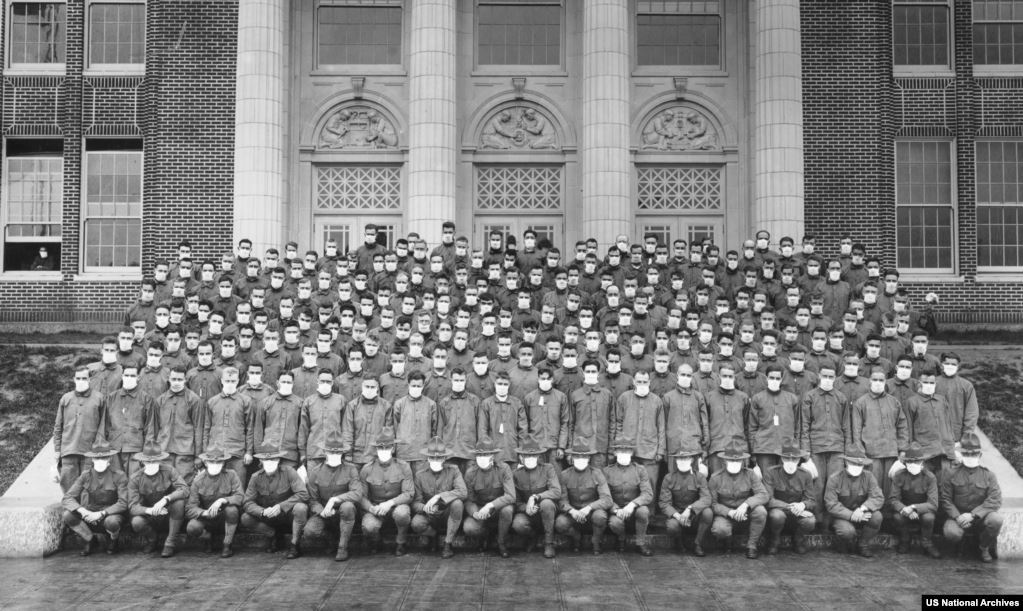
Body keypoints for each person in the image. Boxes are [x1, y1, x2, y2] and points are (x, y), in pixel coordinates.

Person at [941, 432, 1003, 563]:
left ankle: (983, 547)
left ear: (979, 455)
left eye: (974, 454)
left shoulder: (989, 475)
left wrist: (973, 515)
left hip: (980, 518)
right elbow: (945, 499)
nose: (970, 457)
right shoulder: (951, 473)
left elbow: (995, 500)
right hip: (958, 516)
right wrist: (958, 516)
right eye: (967, 454)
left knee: (996, 520)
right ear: (962, 454)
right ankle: (959, 544)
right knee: (951, 533)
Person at [241, 442, 310, 559]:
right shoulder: (255, 477)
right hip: (268, 516)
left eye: (273, 459)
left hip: (288, 515)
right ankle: (274, 535)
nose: (269, 463)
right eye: (266, 460)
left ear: (278, 460)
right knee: (245, 518)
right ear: (261, 461)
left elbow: (303, 494)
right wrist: (262, 511)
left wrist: (281, 506)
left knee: (301, 508)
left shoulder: (289, 472)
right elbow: (247, 502)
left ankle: (295, 544)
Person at [303, 430, 363, 562]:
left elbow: (357, 493)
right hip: (325, 512)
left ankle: (342, 547)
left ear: (342, 453)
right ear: (325, 452)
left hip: (345, 512)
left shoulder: (350, 468)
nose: (334, 454)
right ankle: (330, 539)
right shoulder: (315, 471)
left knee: (347, 506)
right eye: (331, 452)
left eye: (338, 452)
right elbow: (312, 500)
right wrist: (322, 511)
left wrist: (335, 499)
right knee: (309, 531)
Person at [60, 440, 128, 556]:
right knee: (68, 515)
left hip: (110, 514)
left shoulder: (119, 475)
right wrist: (83, 511)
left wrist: (102, 513)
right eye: (97, 458)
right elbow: (67, 498)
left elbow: (123, 502)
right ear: (92, 460)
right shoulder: (86, 475)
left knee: (112, 522)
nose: (100, 461)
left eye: (104, 458)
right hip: (90, 514)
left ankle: (113, 539)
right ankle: (90, 540)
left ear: (109, 460)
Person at [708, 436, 769, 559]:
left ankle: (752, 546)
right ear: (724, 461)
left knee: (761, 511)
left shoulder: (750, 474)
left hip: (746, 514)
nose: (734, 463)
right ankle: (727, 541)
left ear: (742, 462)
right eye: (731, 460)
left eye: (738, 461)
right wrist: (729, 512)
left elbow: (763, 494)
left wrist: (746, 505)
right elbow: (713, 504)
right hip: (726, 515)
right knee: (719, 529)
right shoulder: (715, 478)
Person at [358, 427, 415, 556]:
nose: (383, 451)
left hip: (396, 506)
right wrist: (371, 508)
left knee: (402, 513)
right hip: (376, 507)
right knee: (368, 526)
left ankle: (401, 542)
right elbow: (361, 496)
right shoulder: (367, 469)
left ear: (393, 449)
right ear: (376, 449)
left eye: (387, 448)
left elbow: (409, 493)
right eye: (380, 448)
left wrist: (390, 503)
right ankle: (376, 541)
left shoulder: (403, 466)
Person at [127, 441, 189, 558]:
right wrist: (150, 510)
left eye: (155, 461)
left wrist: (166, 499)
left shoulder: (169, 470)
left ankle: (170, 542)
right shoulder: (135, 478)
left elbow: (184, 489)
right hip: (150, 517)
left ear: (160, 460)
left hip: (168, 515)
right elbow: (133, 506)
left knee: (179, 503)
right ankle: (152, 539)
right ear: (142, 461)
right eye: (148, 461)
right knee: (136, 522)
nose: (151, 464)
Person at [410, 436, 468, 559]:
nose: (435, 460)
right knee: (416, 523)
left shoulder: (453, 470)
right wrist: (425, 508)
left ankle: (448, 543)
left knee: (458, 504)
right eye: (432, 457)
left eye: (439, 458)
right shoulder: (420, 475)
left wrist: (438, 496)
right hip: (430, 514)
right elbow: (415, 503)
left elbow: (463, 492)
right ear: (427, 458)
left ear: (444, 458)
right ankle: (432, 535)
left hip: (447, 512)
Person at [555, 439, 613, 555]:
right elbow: (562, 500)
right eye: (577, 457)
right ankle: (576, 537)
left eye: (584, 457)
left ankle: (596, 541)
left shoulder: (596, 473)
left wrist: (589, 508)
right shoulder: (565, 475)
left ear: (588, 458)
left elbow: (607, 499)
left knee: (600, 516)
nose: (580, 460)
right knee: (560, 523)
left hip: (591, 513)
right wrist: (571, 511)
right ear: (572, 458)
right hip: (573, 513)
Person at [185, 446, 244, 558]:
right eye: (212, 462)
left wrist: (223, 500)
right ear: (206, 463)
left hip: (225, 518)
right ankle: (207, 538)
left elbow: (240, 496)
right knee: (192, 527)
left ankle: (227, 544)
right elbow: (190, 508)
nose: (215, 465)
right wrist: (204, 513)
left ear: (223, 463)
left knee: (232, 509)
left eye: (219, 462)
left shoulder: (231, 475)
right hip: (208, 519)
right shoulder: (198, 480)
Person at [462, 436, 516, 557]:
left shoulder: (504, 469)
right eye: (479, 455)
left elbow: (511, 496)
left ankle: (501, 542)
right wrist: (475, 513)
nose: (482, 458)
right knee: (469, 527)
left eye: (486, 455)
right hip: (481, 509)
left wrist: (491, 505)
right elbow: (468, 500)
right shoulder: (470, 473)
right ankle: (484, 536)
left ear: (492, 456)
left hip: (499, 508)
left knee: (507, 510)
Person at [54, 366, 106, 492]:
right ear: (74, 379)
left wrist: (98, 449)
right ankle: (70, 510)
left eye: (84, 378)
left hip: (88, 450)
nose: (81, 381)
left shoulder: (99, 398)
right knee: (68, 487)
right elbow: (58, 427)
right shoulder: (66, 398)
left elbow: (103, 426)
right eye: (78, 378)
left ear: (89, 380)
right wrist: (57, 450)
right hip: (68, 450)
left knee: (88, 486)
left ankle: (86, 510)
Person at [825, 447, 884, 557]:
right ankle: (842, 542)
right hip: (841, 516)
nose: (857, 467)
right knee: (847, 532)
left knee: (877, 517)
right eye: (853, 463)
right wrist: (852, 515)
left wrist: (862, 509)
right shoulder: (835, 478)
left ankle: (863, 544)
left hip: (862, 513)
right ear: (846, 462)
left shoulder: (869, 476)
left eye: (859, 465)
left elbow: (878, 497)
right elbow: (831, 505)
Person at [510, 434, 562, 558]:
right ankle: (532, 536)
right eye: (526, 456)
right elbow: (515, 501)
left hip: (547, 511)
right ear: (521, 457)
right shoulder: (516, 474)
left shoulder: (548, 469)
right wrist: (526, 508)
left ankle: (549, 543)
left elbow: (556, 491)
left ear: (538, 456)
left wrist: (535, 497)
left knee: (547, 503)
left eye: (533, 456)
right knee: (518, 524)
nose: (530, 459)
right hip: (528, 513)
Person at [762, 438, 816, 555]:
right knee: (777, 516)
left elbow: (811, 500)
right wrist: (790, 507)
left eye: (794, 458)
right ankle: (774, 540)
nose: (791, 461)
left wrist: (802, 504)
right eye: (787, 458)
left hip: (797, 515)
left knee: (810, 521)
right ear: (781, 458)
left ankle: (798, 539)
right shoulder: (771, 472)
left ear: (799, 459)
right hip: (779, 513)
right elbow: (768, 499)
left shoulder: (806, 475)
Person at [888, 442, 941, 558]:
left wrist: (914, 508)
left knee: (929, 517)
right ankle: (905, 539)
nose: (913, 464)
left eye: (916, 461)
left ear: (922, 462)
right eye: (910, 461)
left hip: (922, 511)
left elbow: (933, 504)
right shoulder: (899, 475)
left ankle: (927, 542)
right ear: (906, 462)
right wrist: (904, 509)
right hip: (905, 511)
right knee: (897, 517)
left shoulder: (930, 477)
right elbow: (893, 499)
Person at [603, 436, 655, 556]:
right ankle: (621, 539)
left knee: (643, 511)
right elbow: (605, 496)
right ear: (615, 453)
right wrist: (615, 509)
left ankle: (640, 543)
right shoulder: (607, 471)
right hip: (617, 511)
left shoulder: (640, 470)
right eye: (620, 451)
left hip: (634, 511)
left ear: (631, 453)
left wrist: (632, 505)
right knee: (614, 523)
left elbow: (647, 494)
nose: (624, 454)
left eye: (627, 451)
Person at [153, 366, 205, 483]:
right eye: (174, 379)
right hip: (164, 450)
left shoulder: (194, 400)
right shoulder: (160, 400)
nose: (176, 382)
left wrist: (198, 456)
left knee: (184, 483)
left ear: (185, 380)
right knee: (165, 482)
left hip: (185, 451)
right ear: (169, 379)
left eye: (180, 379)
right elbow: (155, 428)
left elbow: (198, 429)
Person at [203, 367, 253, 486]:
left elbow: (250, 428)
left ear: (238, 381)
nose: (230, 384)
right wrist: (205, 453)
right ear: (222, 381)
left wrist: (249, 452)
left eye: (233, 381)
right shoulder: (212, 401)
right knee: (216, 486)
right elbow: (206, 428)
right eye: (227, 381)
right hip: (215, 453)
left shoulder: (245, 401)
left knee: (238, 486)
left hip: (237, 453)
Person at [659, 447, 712, 556]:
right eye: (680, 459)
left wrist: (690, 509)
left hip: (694, 514)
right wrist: (678, 516)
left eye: (686, 459)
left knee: (708, 513)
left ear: (691, 460)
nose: (683, 461)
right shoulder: (669, 478)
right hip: (677, 514)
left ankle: (698, 543)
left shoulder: (699, 477)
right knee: (672, 527)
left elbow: (706, 498)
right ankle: (678, 541)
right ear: (676, 461)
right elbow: (664, 503)